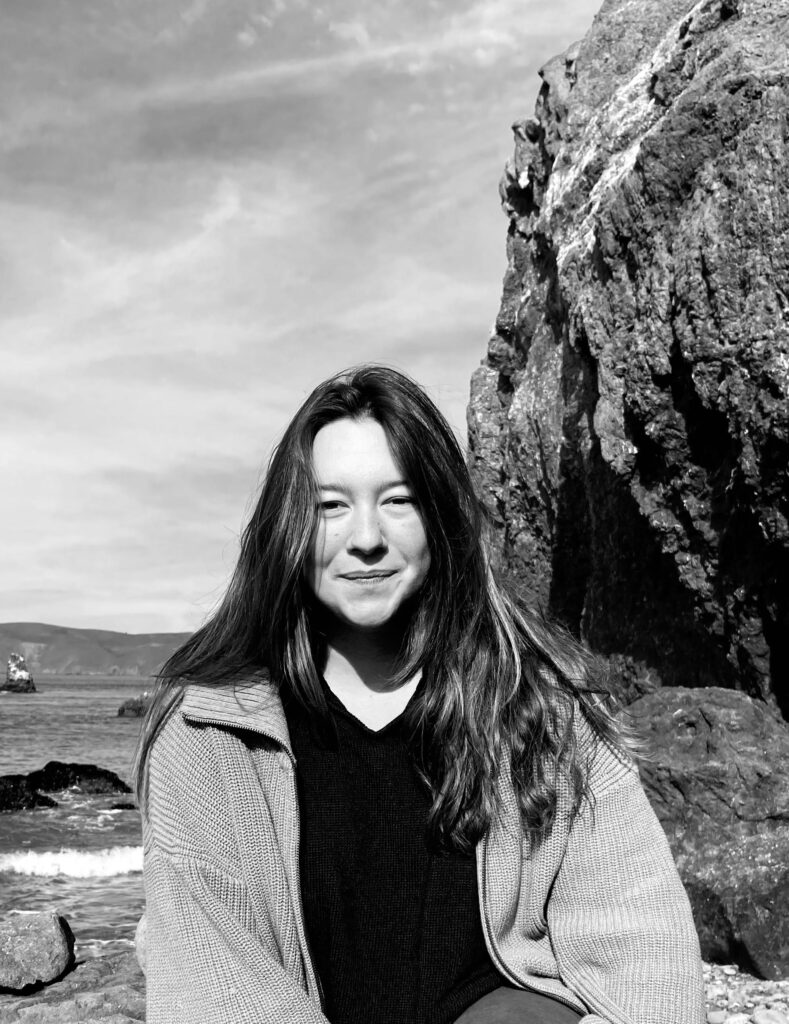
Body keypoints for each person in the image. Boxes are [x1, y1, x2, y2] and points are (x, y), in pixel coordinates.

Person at [136, 365, 704, 1024]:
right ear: (287, 525)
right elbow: (215, 989)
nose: (366, 538)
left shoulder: (539, 710)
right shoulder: (207, 732)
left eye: (398, 500)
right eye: (330, 506)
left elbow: (644, 952)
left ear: (440, 516)